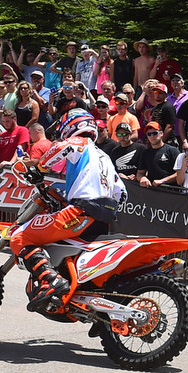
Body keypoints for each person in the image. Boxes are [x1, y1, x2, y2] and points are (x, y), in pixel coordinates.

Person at [13, 106, 127, 313]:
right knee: (73, 255)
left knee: (20, 237)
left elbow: (59, 149)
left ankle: (50, 280)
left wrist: (39, 169)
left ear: (71, 125)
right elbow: (122, 193)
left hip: (81, 210)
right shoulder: (104, 157)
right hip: (104, 216)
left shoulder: (79, 142)